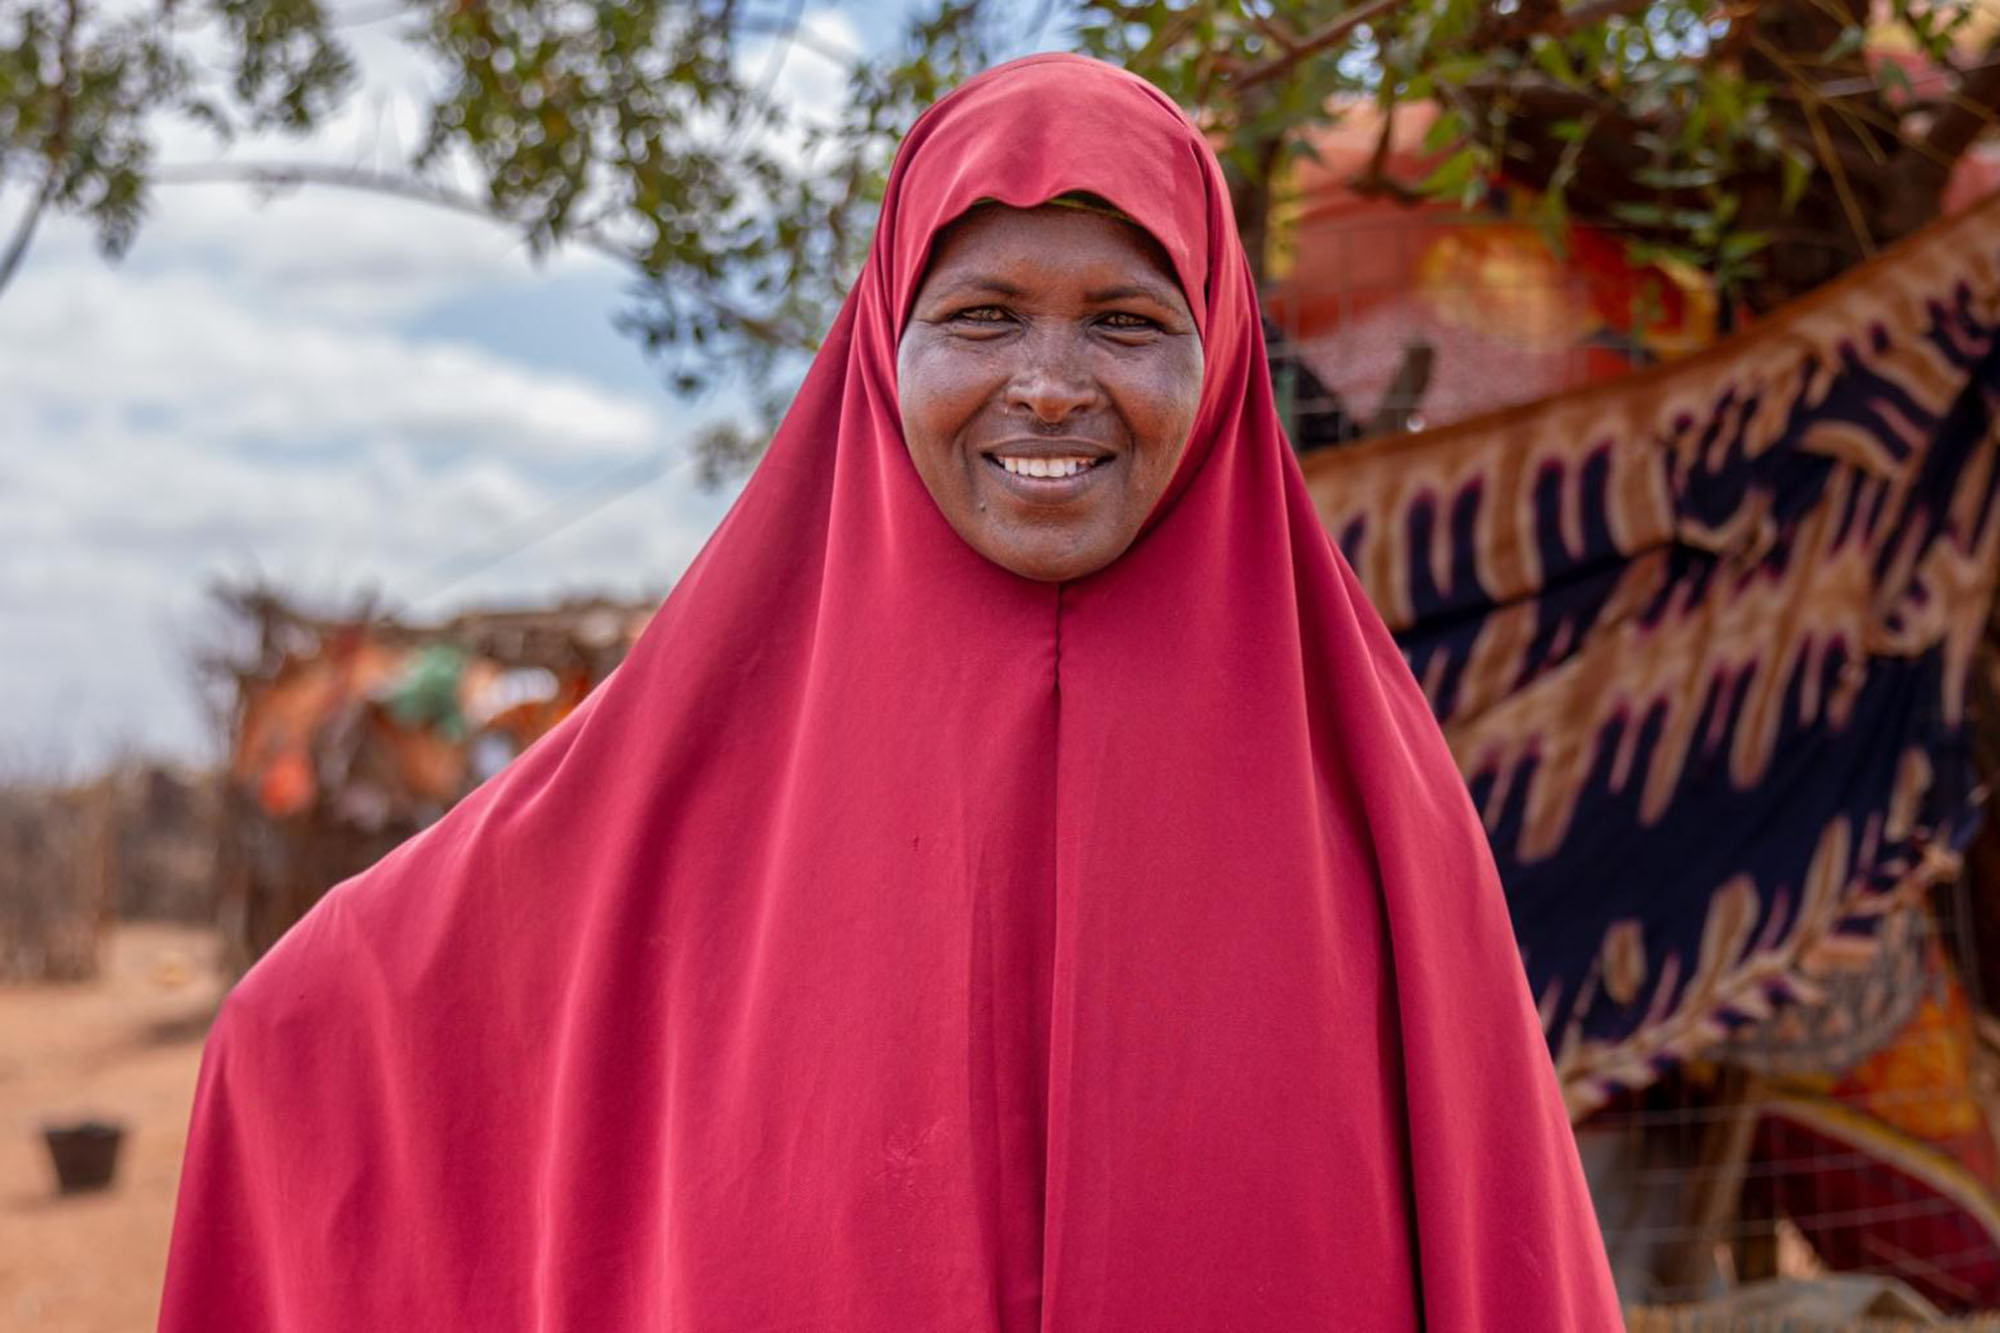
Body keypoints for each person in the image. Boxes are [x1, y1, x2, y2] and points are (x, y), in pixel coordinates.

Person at [160, 53, 1622, 1330]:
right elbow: (372, 1017)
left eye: (1126, 321)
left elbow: (1505, 1244)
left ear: (1222, 349)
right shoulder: (701, 752)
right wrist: (284, 1069)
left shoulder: (1366, 790)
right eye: (983, 315)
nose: (1049, 384)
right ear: (883, 343)